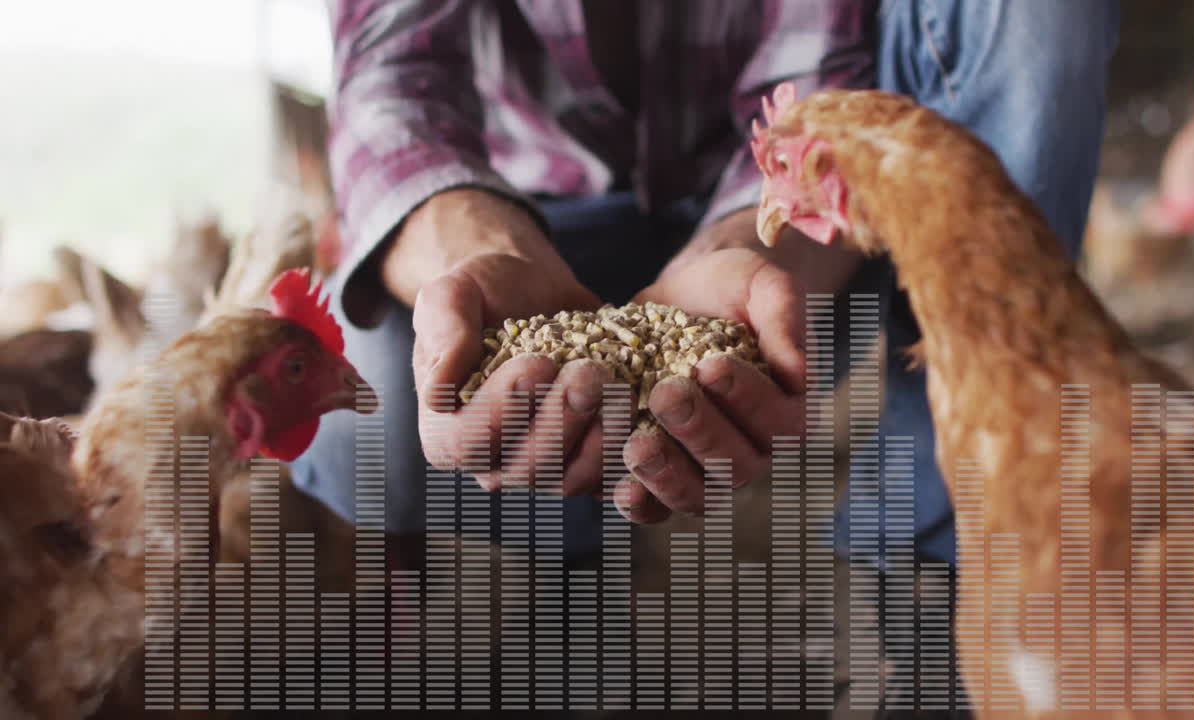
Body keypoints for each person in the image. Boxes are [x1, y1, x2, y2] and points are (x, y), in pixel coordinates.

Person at [292, 0, 1119, 714]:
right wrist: (473, 247)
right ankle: (570, 543)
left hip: (767, 237)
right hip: (538, 217)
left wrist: (747, 250)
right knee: (369, 419)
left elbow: (815, 74)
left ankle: (936, 548)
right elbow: (387, 80)